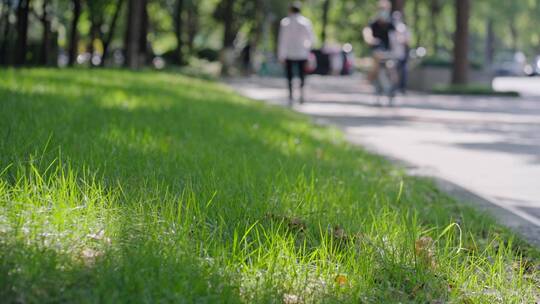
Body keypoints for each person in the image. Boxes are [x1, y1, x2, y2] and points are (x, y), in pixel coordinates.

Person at [278, 2, 316, 105]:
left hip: (289, 53)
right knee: (302, 75)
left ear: (290, 10)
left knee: (289, 75)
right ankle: (301, 94)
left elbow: (282, 40)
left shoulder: (285, 22)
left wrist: (281, 55)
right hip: (302, 53)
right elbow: (311, 39)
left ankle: (291, 95)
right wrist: (307, 49)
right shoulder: (306, 22)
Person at [362, 0, 395, 83]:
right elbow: (367, 32)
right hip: (377, 49)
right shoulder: (374, 23)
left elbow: (397, 34)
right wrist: (369, 39)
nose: (384, 11)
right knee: (376, 63)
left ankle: (393, 86)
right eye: (381, 9)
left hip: (388, 50)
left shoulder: (391, 23)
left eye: (385, 9)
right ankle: (369, 80)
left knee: (391, 67)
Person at [392, 11, 411, 93]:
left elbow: (408, 41)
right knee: (394, 71)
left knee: (403, 72)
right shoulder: (391, 27)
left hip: (402, 54)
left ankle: (401, 88)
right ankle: (394, 87)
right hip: (393, 54)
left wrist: (401, 39)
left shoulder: (403, 27)